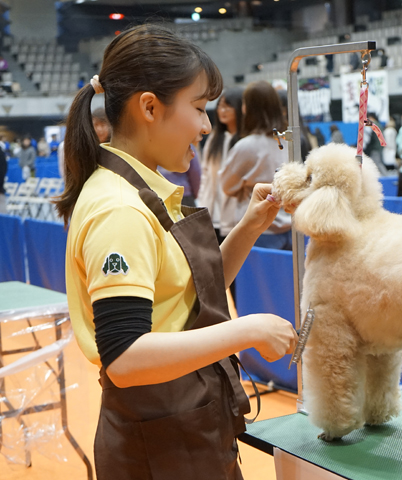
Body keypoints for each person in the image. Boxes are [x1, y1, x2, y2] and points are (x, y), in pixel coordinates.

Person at [54, 24, 297, 480]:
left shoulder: (137, 186)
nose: (206, 126)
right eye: (199, 108)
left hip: (183, 424)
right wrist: (245, 330)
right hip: (160, 447)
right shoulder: (119, 210)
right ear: (149, 106)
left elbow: (188, 298)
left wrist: (249, 225)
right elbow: (125, 359)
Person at [219, 80, 292, 250]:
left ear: (248, 108)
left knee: (256, 277)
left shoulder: (246, 146)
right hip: (289, 226)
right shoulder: (287, 141)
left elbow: (227, 186)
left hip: (259, 230)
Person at [200, 87, 244, 244]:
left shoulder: (245, 141)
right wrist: (202, 204)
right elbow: (205, 173)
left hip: (235, 215)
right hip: (212, 211)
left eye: (228, 106)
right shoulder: (214, 139)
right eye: (220, 106)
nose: (222, 111)